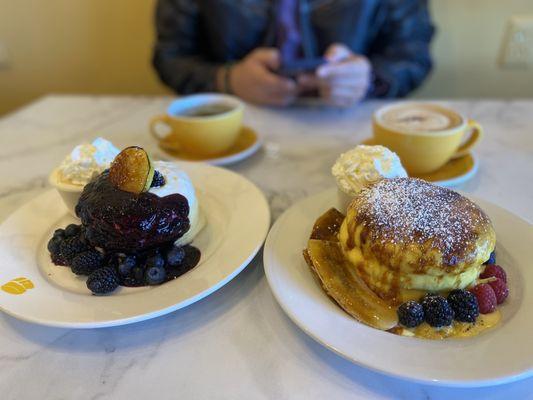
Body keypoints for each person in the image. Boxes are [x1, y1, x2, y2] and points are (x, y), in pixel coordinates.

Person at [153, 0, 434, 107]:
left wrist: (370, 79)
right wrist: (227, 79)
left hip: (354, 129)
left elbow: (413, 56)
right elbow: (170, 57)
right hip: (231, 125)